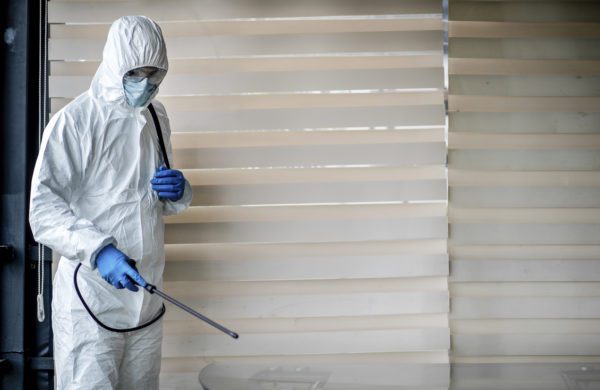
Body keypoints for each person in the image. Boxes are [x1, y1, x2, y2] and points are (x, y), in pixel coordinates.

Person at [29, 15, 192, 389]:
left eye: (155, 74)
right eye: (137, 73)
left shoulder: (156, 115)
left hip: (145, 298)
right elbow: (43, 210)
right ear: (116, 63)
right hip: (92, 298)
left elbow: (150, 204)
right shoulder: (74, 122)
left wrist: (178, 191)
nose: (147, 84)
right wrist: (100, 251)